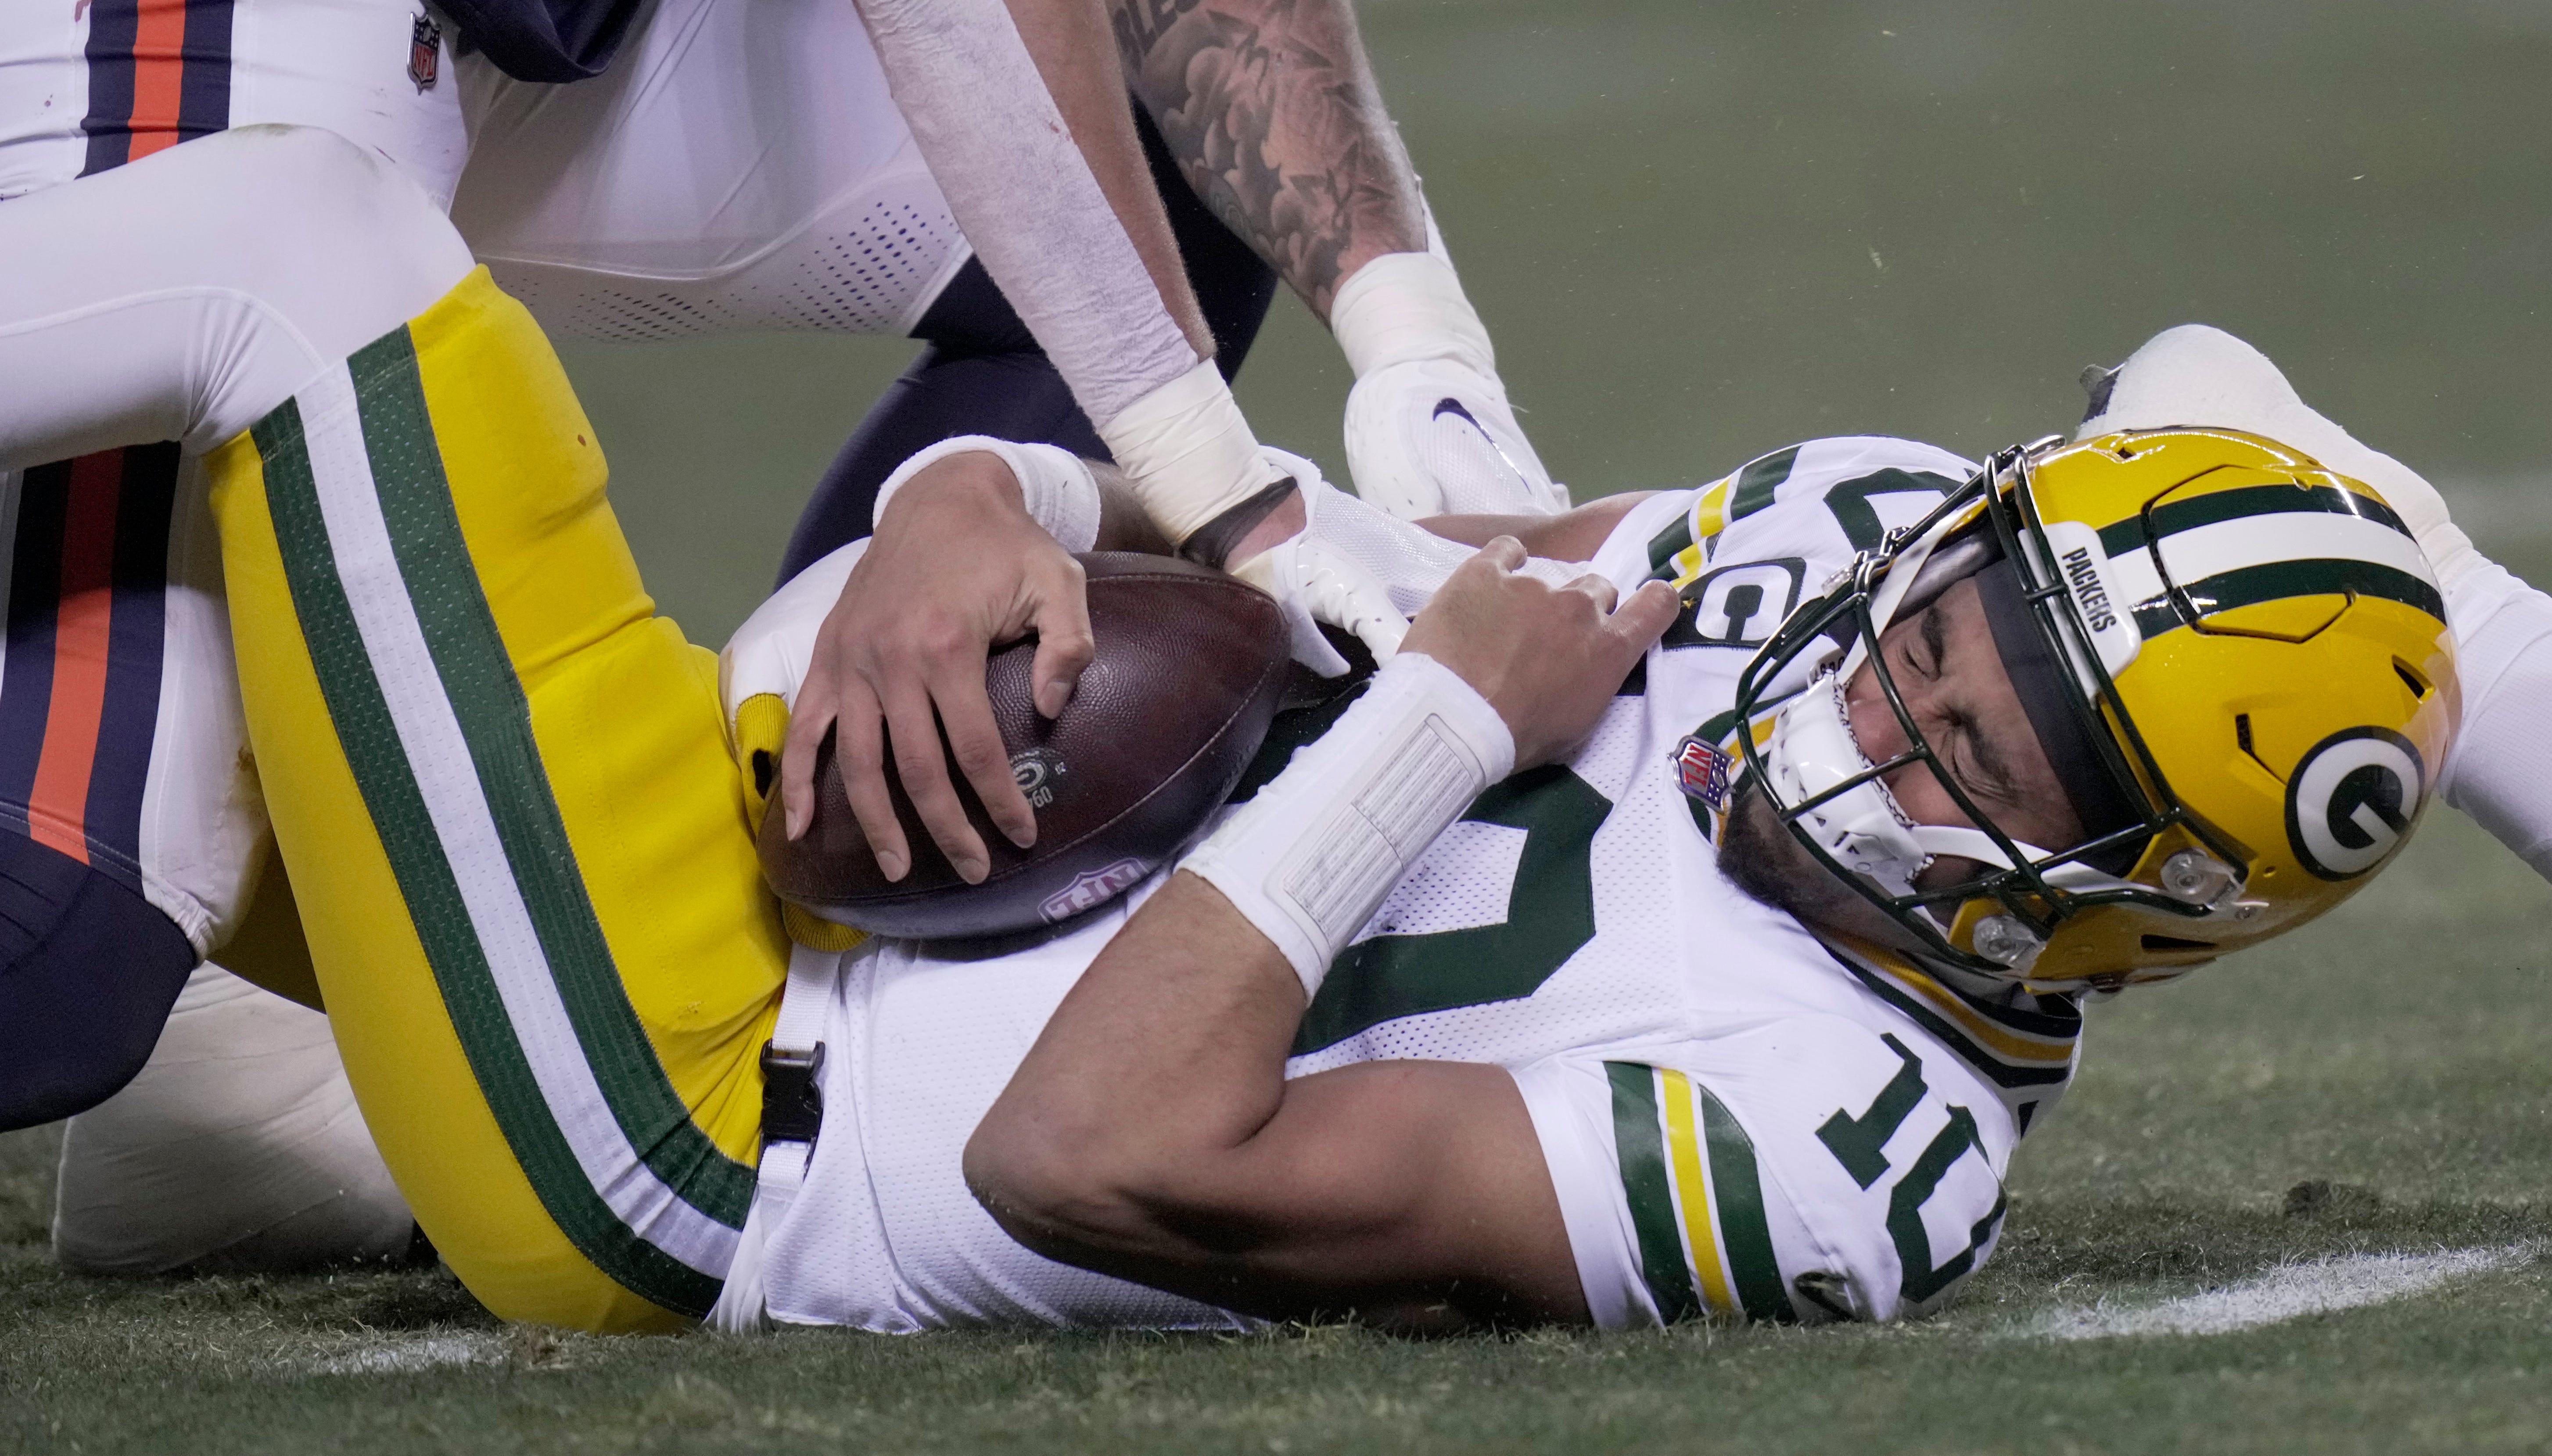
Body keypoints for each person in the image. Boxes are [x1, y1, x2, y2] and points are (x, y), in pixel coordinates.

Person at [22, 128, 2551, 1331]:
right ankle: (222, 1118)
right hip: (746, 810)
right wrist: (964, 489)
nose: (1860, 717)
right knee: (127, 596)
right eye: (1921, 639)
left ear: (2138, 913)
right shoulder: (1860, 535)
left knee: (299, 256)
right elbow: (1285, 553)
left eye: (1972, 766)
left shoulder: (1844, 1155)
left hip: (697, 1136)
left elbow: (1080, 1152)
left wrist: (1442, 719)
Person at [0, 0, 1551, 1132]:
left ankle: (819, 929)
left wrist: (1422, 356)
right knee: (61, 955)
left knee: (1147, 164)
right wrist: (1226, 496)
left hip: (496, 52)